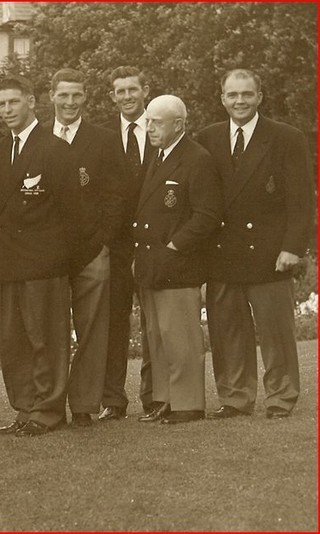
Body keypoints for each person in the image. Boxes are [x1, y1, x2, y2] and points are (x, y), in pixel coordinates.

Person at [198, 69, 313, 420]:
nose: (240, 101)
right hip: (223, 255)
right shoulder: (207, 138)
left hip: (270, 254)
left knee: (276, 332)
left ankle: (280, 396)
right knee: (227, 332)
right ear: (222, 98)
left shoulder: (286, 138)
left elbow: (302, 200)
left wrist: (293, 247)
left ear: (260, 97)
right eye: (233, 95)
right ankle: (235, 397)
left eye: (247, 94)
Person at [0, 76, 86, 437]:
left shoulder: (55, 149)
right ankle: (25, 408)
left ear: (31, 102)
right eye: (1, 104)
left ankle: (48, 410)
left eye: (13, 102)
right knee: (13, 341)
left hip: (44, 264)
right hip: (9, 264)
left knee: (45, 338)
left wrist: (59, 260)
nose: (7, 110)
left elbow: (73, 214)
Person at [133, 95, 222, 425]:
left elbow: (207, 215)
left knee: (181, 337)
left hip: (177, 264)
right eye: (148, 121)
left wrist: (173, 247)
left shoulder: (196, 159)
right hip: (152, 264)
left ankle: (188, 404)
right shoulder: (157, 156)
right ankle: (165, 400)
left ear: (179, 124)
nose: (149, 127)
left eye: (157, 122)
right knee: (158, 337)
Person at [44, 69, 126, 426]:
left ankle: (83, 405)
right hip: (46, 255)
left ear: (86, 98)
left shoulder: (105, 140)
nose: (70, 102)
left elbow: (116, 196)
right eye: (64, 95)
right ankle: (49, 405)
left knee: (93, 330)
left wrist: (104, 240)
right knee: (51, 331)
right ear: (51, 97)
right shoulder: (37, 139)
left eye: (77, 95)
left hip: (93, 250)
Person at [99, 66, 156, 420]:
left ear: (145, 90)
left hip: (155, 243)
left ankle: (155, 395)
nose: (127, 96)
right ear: (112, 97)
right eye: (120, 91)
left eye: (132, 89)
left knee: (155, 323)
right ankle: (112, 399)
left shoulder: (163, 126)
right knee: (113, 323)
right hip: (117, 246)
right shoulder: (103, 138)